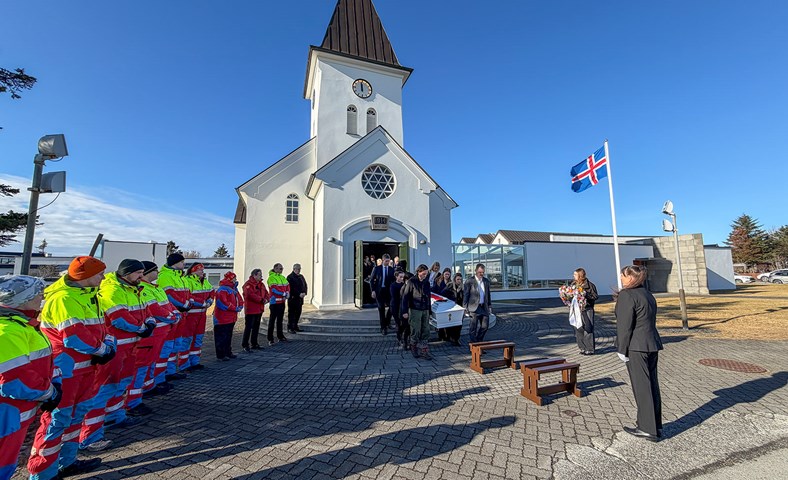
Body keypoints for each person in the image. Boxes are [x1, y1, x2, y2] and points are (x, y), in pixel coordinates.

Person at [29, 256, 113, 479]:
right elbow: (74, 337)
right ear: (85, 277)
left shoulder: (87, 295)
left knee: (76, 417)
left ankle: (67, 462)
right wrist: (103, 350)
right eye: (99, 274)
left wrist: (105, 345)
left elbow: (97, 329)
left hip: (85, 368)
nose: (103, 278)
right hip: (67, 370)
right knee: (57, 421)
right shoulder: (64, 299)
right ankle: (42, 473)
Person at [80, 260, 151, 452]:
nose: (141, 277)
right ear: (126, 274)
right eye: (138, 273)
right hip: (115, 348)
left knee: (121, 383)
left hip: (130, 347)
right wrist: (141, 328)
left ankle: (115, 416)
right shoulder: (112, 291)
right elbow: (119, 318)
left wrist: (149, 321)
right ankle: (90, 436)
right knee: (103, 389)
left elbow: (145, 310)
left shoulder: (134, 289)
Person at [0, 275, 60, 480]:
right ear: (23, 298)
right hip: (8, 413)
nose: (42, 298)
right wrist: (50, 392)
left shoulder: (23, 325)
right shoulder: (7, 331)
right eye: (37, 294)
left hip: (16, 412)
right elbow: (14, 380)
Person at [615, 265, 663, 442]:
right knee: (651, 385)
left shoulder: (627, 295)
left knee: (642, 387)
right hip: (651, 344)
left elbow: (625, 325)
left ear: (630, 277)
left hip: (636, 346)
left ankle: (647, 428)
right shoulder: (647, 293)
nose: (620, 276)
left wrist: (622, 348)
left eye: (623, 274)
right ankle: (655, 424)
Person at [136, 261, 179, 399]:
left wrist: (175, 313)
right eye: (155, 270)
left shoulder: (156, 288)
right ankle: (142, 391)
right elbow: (155, 310)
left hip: (162, 331)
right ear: (148, 273)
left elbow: (168, 304)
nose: (158, 273)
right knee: (145, 363)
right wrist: (172, 317)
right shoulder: (143, 289)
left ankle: (151, 384)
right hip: (154, 333)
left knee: (155, 360)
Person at [157, 253, 192, 381]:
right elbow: (169, 295)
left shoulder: (180, 277)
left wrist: (188, 303)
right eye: (182, 262)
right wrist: (183, 305)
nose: (184, 264)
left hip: (181, 314)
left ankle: (170, 371)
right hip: (173, 314)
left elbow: (187, 293)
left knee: (176, 344)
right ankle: (162, 375)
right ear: (175, 263)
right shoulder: (166, 276)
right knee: (167, 346)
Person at [183, 263, 214, 370]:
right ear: (193, 271)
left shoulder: (205, 281)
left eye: (202, 269)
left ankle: (195, 361)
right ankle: (184, 364)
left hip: (202, 314)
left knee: (198, 338)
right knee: (187, 339)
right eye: (200, 270)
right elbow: (188, 296)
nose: (202, 271)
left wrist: (210, 300)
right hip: (191, 315)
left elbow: (211, 291)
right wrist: (202, 303)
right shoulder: (187, 281)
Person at [401, 264, 432, 359]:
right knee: (416, 329)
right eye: (423, 274)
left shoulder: (426, 282)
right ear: (419, 272)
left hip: (425, 309)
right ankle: (413, 346)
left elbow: (429, 296)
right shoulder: (411, 282)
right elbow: (405, 297)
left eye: (426, 274)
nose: (425, 276)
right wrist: (404, 311)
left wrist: (429, 310)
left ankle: (424, 350)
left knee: (425, 329)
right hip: (415, 309)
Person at [214, 272, 243, 360]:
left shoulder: (234, 289)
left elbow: (239, 298)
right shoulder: (223, 289)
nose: (235, 279)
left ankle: (228, 352)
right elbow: (222, 303)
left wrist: (241, 305)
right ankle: (221, 355)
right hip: (222, 317)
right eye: (234, 278)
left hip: (231, 317)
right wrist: (235, 308)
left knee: (228, 336)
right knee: (221, 336)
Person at [571, 268, 599, 355]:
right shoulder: (573, 284)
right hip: (577, 310)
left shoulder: (590, 285)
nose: (573, 276)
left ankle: (590, 348)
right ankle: (582, 347)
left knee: (588, 328)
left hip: (587, 309)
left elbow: (595, 296)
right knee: (578, 328)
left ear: (580, 275)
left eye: (575, 274)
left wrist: (585, 295)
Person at [463, 263, 492, 343]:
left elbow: (488, 294)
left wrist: (489, 306)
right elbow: (466, 295)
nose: (481, 274)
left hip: (484, 307)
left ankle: (479, 343)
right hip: (474, 307)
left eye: (483, 272)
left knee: (485, 327)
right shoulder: (469, 281)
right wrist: (465, 308)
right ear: (475, 271)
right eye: (480, 272)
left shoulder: (486, 281)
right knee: (473, 328)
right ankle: (474, 346)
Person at [241, 269, 268, 352]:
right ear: (254, 275)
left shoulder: (261, 284)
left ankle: (254, 343)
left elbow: (266, 293)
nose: (261, 276)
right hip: (251, 309)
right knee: (248, 327)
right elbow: (250, 295)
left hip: (259, 309)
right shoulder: (248, 284)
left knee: (256, 327)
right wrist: (261, 300)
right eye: (260, 275)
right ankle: (245, 344)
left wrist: (267, 299)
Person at [370, 254, 395, 335]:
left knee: (391, 308)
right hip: (379, 291)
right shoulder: (377, 268)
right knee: (381, 309)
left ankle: (387, 323)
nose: (387, 262)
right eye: (386, 261)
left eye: (388, 261)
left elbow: (394, 280)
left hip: (388, 292)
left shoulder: (392, 269)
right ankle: (383, 328)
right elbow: (371, 280)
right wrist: (373, 290)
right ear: (383, 260)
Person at [437, 272, 463, 346]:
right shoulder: (450, 286)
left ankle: (456, 339)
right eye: (458, 279)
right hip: (451, 308)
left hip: (459, 308)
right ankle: (450, 338)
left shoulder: (462, 288)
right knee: (452, 324)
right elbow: (442, 294)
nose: (459, 281)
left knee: (459, 325)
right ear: (454, 279)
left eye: (460, 279)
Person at [266, 264, 290, 346]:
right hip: (274, 302)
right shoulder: (271, 278)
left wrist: (287, 292)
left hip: (282, 302)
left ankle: (280, 336)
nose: (282, 270)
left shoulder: (282, 277)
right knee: (272, 321)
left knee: (280, 320)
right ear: (275, 269)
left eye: (282, 268)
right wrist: (283, 293)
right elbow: (273, 289)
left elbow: (287, 286)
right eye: (280, 268)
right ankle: (270, 338)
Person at [287, 264, 308, 334]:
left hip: (300, 299)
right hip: (293, 299)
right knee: (292, 314)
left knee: (298, 313)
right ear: (294, 269)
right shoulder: (290, 277)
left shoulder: (301, 277)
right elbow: (291, 288)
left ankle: (295, 326)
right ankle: (290, 327)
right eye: (297, 269)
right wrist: (298, 294)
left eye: (299, 269)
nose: (299, 270)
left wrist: (304, 292)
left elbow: (305, 285)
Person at [389, 271, 407, 349]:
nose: (402, 278)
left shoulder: (404, 284)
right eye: (400, 277)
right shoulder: (393, 285)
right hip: (395, 306)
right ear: (396, 277)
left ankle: (401, 335)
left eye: (403, 277)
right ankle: (399, 338)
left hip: (402, 306)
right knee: (398, 323)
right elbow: (395, 296)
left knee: (404, 323)